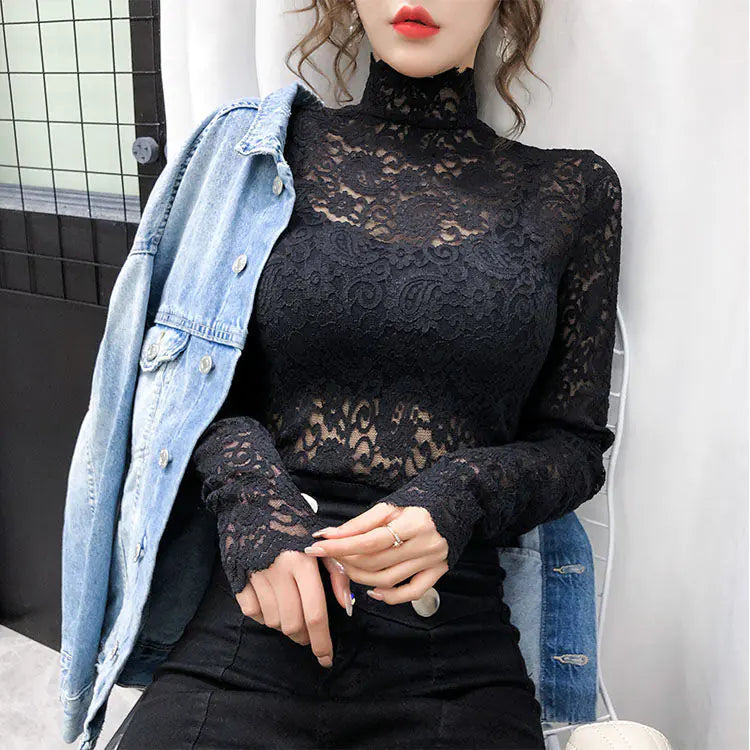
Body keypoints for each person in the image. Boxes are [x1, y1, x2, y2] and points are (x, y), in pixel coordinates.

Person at [117, 1, 622, 747]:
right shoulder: (263, 153)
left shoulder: (573, 190)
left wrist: (460, 492)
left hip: (450, 650)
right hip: (249, 629)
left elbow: (574, 445)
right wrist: (252, 501)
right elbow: (193, 388)